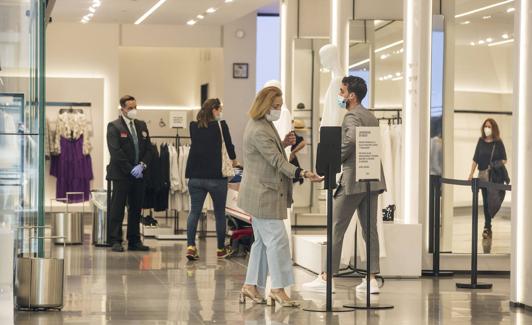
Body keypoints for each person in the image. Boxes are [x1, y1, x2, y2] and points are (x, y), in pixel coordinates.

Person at [238, 86, 322, 307]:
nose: (278, 110)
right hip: (263, 194)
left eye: (280, 106)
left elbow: (271, 153)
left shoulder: (262, 124)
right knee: (278, 241)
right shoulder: (259, 129)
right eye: (275, 106)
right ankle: (277, 289)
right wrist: (302, 172)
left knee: (262, 244)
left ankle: (250, 286)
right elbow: (276, 161)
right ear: (265, 105)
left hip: (260, 192)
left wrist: (283, 143)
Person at [303, 76, 386, 294]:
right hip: (372, 180)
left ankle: (326, 277)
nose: (339, 95)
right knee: (370, 230)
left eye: (342, 91)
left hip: (352, 181)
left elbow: (349, 142)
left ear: (352, 95)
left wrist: (330, 166)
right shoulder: (371, 117)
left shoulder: (351, 117)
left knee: (336, 227)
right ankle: (371, 279)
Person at [185, 98, 238, 260]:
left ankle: (191, 247)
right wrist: (235, 161)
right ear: (214, 110)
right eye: (219, 110)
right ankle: (220, 250)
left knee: (194, 212)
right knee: (220, 213)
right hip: (216, 177)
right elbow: (229, 146)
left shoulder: (194, 126)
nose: (221, 113)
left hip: (195, 177)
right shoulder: (221, 125)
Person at [106, 95, 154, 252]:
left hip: (140, 174)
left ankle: (134, 240)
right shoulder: (114, 126)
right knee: (118, 207)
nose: (133, 110)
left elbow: (149, 148)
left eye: (135, 107)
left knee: (136, 208)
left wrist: (142, 165)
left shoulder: (141, 125)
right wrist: (130, 169)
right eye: (130, 108)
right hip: (121, 175)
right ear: (122, 109)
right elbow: (116, 152)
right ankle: (115, 240)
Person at [468, 118, 508, 240]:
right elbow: (475, 158)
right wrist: (471, 173)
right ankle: (487, 227)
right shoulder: (481, 141)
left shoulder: (498, 142)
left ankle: (488, 223)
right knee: (486, 202)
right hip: (483, 176)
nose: (487, 129)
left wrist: (494, 164)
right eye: (486, 126)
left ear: (493, 128)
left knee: (494, 201)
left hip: (495, 177)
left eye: (489, 127)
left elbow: (504, 159)